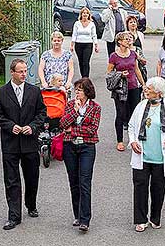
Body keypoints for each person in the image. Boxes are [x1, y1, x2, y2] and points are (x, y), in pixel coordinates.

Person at [0, 58, 47, 230]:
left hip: (30, 142)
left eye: (25, 71)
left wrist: (32, 127)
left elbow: (42, 112)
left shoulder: (34, 91)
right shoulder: (1, 92)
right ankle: (14, 215)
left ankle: (31, 205)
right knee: (11, 179)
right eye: (21, 71)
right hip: (11, 144)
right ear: (12, 73)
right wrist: (11, 126)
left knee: (31, 177)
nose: (24, 74)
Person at [128, 77, 165, 232]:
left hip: (160, 157)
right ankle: (140, 219)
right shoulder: (141, 106)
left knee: (158, 189)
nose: (145, 91)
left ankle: (155, 217)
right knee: (140, 187)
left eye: (149, 89)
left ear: (158, 92)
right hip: (142, 155)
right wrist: (132, 141)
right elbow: (132, 126)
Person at [59, 78, 101, 232]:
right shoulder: (70, 105)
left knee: (85, 182)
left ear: (87, 91)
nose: (77, 92)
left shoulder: (95, 108)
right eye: (76, 89)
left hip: (87, 148)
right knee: (74, 181)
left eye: (80, 89)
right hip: (69, 146)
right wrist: (75, 112)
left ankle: (85, 220)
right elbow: (62, 124)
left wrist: (72, 130)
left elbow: (92, 129)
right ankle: (77, 214)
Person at [107, 31, 146, 152]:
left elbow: (137, 70)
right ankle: (119, 140)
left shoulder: (133, 54)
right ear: (119, 42)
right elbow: (109, 73)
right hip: (120, 89)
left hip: (133, 87)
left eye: (129, 40)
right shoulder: (114, 56)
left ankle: (133, 138)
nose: (129, 41)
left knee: (134, 114)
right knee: (121, 114)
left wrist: (143, 84)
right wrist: (120, 74)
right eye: (126, 39)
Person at [70, 7, 99, 78]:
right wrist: (72, 45)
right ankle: (82, 76)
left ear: (89, 15)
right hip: (78, 44)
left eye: (86, 13)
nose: (85, 14)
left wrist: (96, 45)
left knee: (86, 62)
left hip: (88, 44)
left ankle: (86, 77)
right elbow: (74, 34)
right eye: (83, 13)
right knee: (80, 61)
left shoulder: (91, 24)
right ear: (81, 14)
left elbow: (94, 35)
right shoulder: (77, 23)